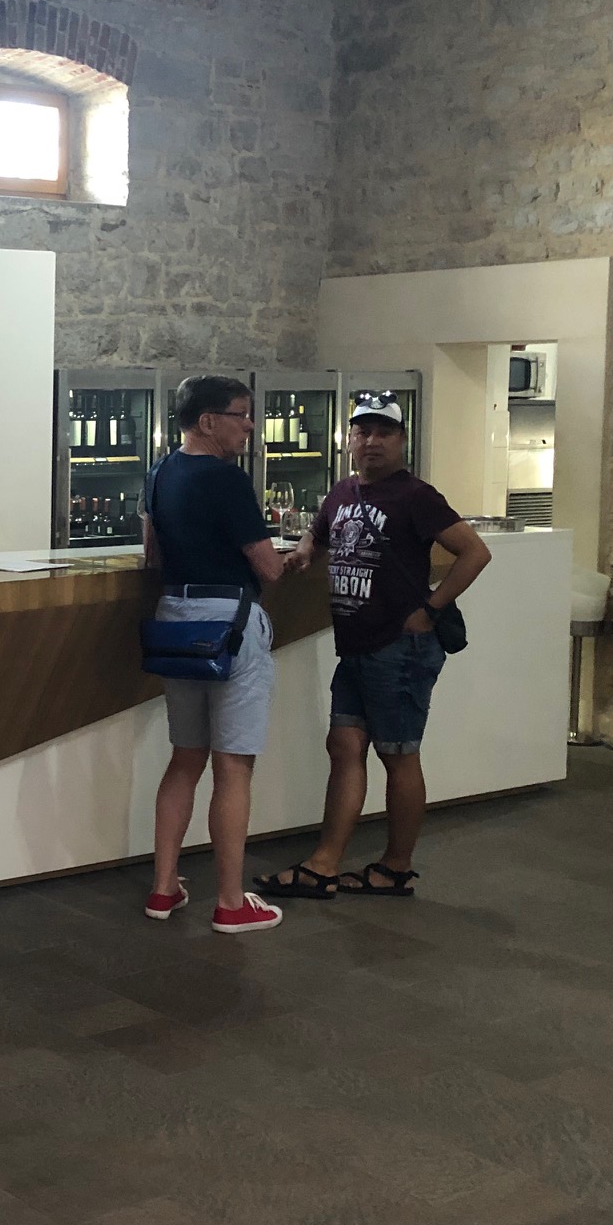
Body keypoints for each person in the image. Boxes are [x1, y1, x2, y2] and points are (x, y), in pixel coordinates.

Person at [256, 394, 491, 899]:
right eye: (363, 432)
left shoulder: (416, 496)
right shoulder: (342, 492)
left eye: (384, 432)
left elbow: (475, 552)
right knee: (344, 747)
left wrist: (430, 609)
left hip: (400, 647)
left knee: (398, 754)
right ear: (350, 440)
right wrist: (304, 550)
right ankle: (324, 864)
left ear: (401, 440)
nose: (372, 441)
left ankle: (395, 867)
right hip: (356, 645)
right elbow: (319, 533)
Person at [141, 375, 287, 934]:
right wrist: (289, 558)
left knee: (185, 756)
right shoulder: (227, 478)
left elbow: (153, 556)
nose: (249, 426)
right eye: (241, 414)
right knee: (233, 765)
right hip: (230, 621)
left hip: (174, 620)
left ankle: (163, 888)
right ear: (207, 421)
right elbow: (268, 566)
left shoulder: (159, 472)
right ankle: (230, 901)